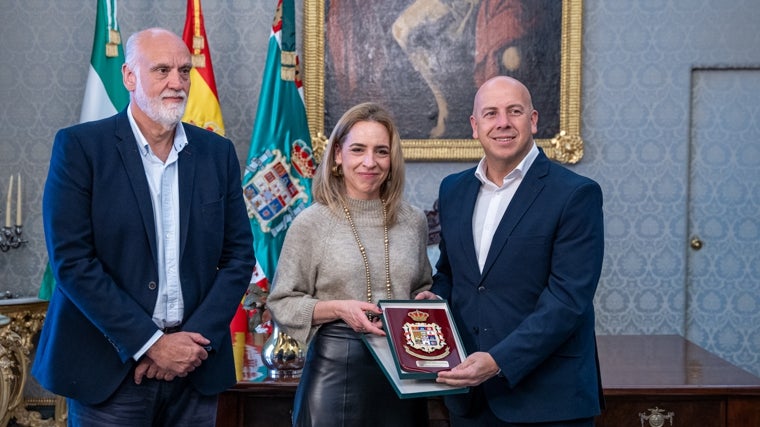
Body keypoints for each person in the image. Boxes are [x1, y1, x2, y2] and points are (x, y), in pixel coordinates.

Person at [33, 28, 255, 426]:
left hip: (195, 366)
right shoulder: (81, 148)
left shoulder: (216, 154)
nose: (177, 82)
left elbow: (239, 257)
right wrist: (151, 344)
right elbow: (72, 262)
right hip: (108, 369)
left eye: (184, 71)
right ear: (129, 77)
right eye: (162, 70)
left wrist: (189, 346)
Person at [416, 76, 604, 426]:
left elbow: (567, 300)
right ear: (475, 126)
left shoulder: (575, 194)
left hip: (548, 401)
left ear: (532, 120)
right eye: (490, 113)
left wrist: (499, 360)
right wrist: (434, 299)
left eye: (513, 111)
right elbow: (452, 273)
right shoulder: (454, 190)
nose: (502, 122)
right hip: (470, 399)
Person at [266, 102, 433, 427]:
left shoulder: (413, 221)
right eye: (358, 149)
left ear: (391, 159)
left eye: (381, 151)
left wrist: (426, 300)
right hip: (336, 371)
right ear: (339, 156)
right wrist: (339, 309)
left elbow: (421, 286)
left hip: (406, 373)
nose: (370, 162)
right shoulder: (311, 223)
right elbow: (282, 302)